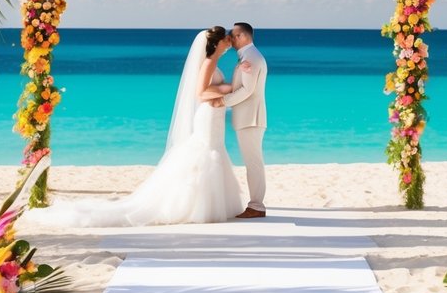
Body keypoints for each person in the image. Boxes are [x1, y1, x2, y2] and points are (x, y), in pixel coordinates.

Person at [24, 26, 244, 227]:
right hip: (207, 117)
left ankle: (210, 203)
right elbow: (201, 93)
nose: (229, 41)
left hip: (213, 117)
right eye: (226, 38)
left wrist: (228, 89)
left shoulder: (212, 63)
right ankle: (197, 205)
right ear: (216, 43)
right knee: (204, 154)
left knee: (212, 152)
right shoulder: (208, 63)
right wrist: (229, 90)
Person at [215, 21, 269, 219]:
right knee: (253, 162)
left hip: (251, 117)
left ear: (243, 37)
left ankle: (257, 206)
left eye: (234, 34)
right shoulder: (248, 56)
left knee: (253, 162)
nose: (231, 37)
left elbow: (247, 90)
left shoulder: (252, 58)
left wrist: (222, 101)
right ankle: (256, 204)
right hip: (249, 117)